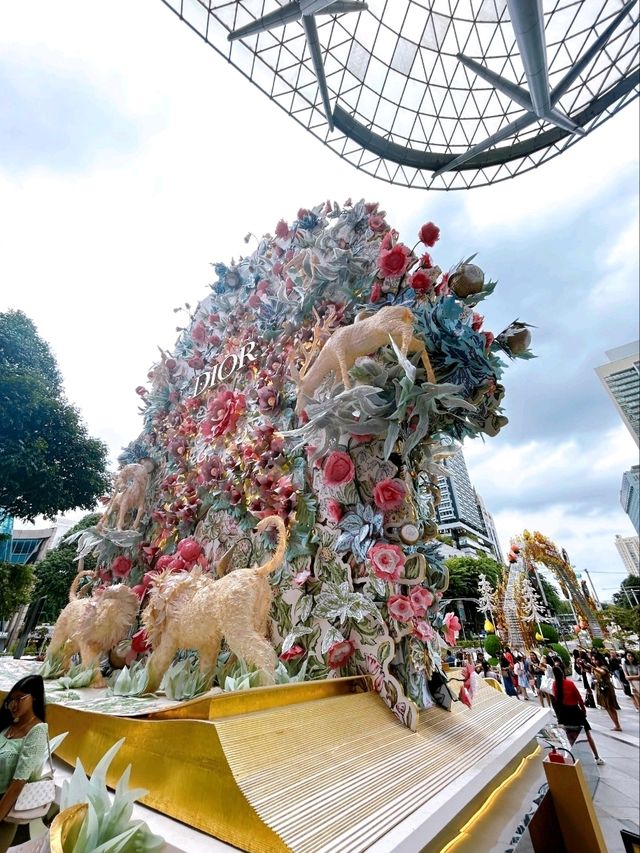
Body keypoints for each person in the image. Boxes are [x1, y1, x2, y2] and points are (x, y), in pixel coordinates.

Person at [0, 675, 50, 853]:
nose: (13, 705)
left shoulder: (36, 731)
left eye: (19, 698)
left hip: (3, 809)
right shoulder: (8, 726)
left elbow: (18, 782)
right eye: (11, 699)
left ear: (34, 697)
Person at [551, 665, 604, 765]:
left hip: (564, 714)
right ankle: (596, 757)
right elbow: (578, 697)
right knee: (587, 734)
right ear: (562, 673)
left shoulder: (554, 684)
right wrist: (583, 709)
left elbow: (556, 699)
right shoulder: (569, 683)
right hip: (575, 712)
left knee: (571, 737)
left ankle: (578, 757)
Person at [590, 652, 622, 731]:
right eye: (593, 660)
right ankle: (616, 724)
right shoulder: (595, 668)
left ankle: (617, 725)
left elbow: (603, 672)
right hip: (600, 687)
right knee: (607, 707)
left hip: (606, 688)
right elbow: (594, 677)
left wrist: (592, 667)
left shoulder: (603, 667)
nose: (594, 661)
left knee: (610, 706)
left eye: (595, 660)